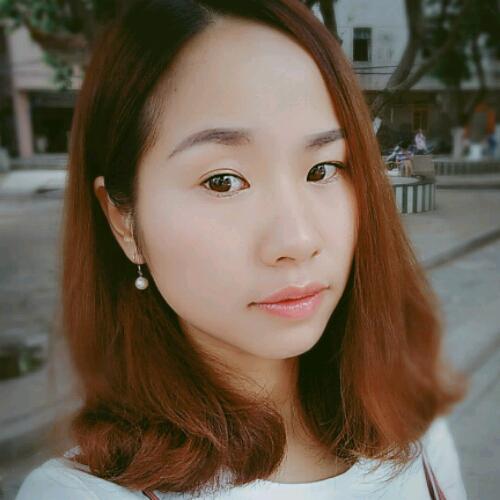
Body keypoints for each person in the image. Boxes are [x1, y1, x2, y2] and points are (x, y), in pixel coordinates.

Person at [16, 1, 468, 498]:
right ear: (124, 219)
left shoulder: (414, 435)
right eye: (224, 181)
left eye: (322, 170)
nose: (298, 241)